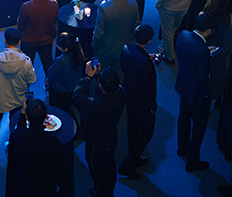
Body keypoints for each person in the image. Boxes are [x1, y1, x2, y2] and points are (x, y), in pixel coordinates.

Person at [0, 27, 35, 163]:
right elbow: (32, 80)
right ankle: (12, 148)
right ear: (19, 42)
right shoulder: (26, 61)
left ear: (4, 40)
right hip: (17, 99)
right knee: (15, 124)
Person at [74, 64, 126, 197]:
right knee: (108, 166)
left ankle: (101, 193)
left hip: (96, 141)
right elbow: (106, 88)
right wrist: (99, 75)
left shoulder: (97, 104)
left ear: (101, 86)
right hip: (109, 136)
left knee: (97, 171)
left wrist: (88, 77)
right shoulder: (120, 92)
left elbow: (77, 95)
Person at [176, 12, 217, 172]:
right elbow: (201, 79)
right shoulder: (202, 51)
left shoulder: (183, 35)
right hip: (198, 94)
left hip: (183, 85)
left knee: (183, 118)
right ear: (208, 30)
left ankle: (182, 148)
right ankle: (192, 162)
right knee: (199, 128)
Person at [119, 24, 156, 178]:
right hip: (142, 103)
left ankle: (134, 155)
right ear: (149, 41)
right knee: (146, 133)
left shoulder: (126, 48)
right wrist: (152, 106)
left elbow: (123, 68)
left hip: (129, 95)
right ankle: (129, 162)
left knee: (132, 127)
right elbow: (148, 89)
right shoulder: (146, 63)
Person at [7, 99, 66, 197]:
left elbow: (19, 127)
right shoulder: (54, 141)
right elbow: (60, 167)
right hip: (47, 187)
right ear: (45, 117)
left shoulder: (20, 135)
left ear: (27, 117)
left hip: (26, 185)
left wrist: (23, 112)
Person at [17, 0, 59, 74]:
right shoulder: (54, 3)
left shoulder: (26, 6)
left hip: (28, 42)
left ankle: (27, 83)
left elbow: (20, 26)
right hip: (47, 41)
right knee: (48, 65)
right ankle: (49, 82)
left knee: (26, 67)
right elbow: (54, 21)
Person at [45, 32, 85, 126]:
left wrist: (47, 83)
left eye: (59, 45)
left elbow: (52, 75)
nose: (57, 46)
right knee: (66, 108)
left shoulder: (61, 61)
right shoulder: (79, 55)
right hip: (71, 89)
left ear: (65, 49)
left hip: (58, 91)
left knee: (56, 111)